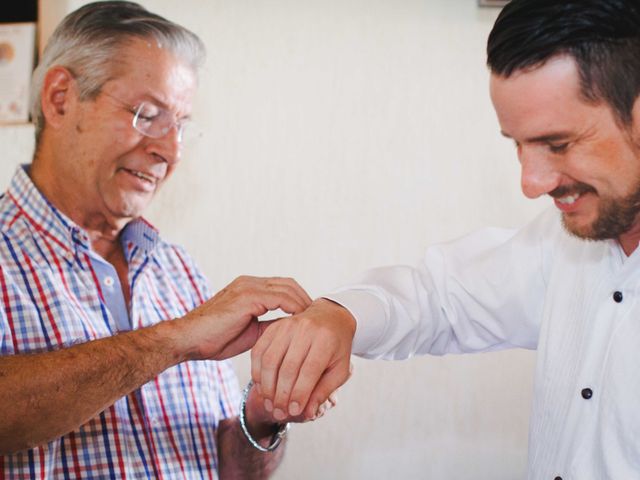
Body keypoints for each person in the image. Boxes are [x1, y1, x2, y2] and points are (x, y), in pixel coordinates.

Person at [251, 0, 640, 477]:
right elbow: (438, 298)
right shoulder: (563, 245)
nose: (531, 182)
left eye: (557, 144)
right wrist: (340, 316)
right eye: (517, 144)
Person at [0, 2, 327, 478]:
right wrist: (175, 340)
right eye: (147, 114)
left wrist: (262, 417)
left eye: (180, 125)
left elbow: (229, 471)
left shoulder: (179, 269)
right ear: (60, 98)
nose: (170, 150)